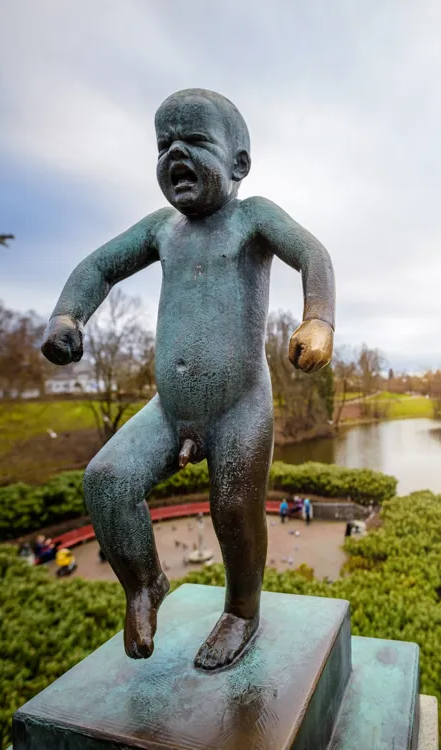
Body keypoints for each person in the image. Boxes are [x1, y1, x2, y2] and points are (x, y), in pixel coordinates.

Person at [40, 88, 335, 670]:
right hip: (170, 408)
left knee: (231, 509)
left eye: (195, 141)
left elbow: (312, 252)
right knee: (107, 482)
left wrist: (319, 319)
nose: (175, 152)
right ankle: (145, 583)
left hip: (239, 405)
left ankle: (242, 611)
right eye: (163, 145)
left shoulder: (252, 218)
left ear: (239, 164)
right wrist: (68, 315)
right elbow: (99, 265)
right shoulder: (161, 229)